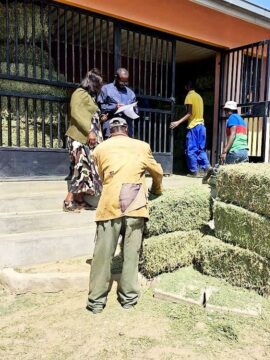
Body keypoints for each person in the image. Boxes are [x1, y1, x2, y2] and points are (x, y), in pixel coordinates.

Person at [86, 117, 163, 314]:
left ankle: (96, 302)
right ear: (126, 130)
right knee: (131, 254)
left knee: (102, 255)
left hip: (109, 204)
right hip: (135, 204)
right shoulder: (142, 146)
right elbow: (158, 172)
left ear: (110, 131)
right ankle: (128, 299)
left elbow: (102, 176)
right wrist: (156, 190)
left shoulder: (99, 149)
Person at [63, 68, 104, 212]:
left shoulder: (89, 96)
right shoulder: (79, 93)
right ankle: (69, 201)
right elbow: (76, 113)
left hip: (87, 139)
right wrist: (90, 130)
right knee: (81, 168)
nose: (100, 87)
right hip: (79, 138)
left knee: (86, 169)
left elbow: (88, 114)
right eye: (98, 84)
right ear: (92, 83)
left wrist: (100, 118)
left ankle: (80, 200)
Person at [170, 80, 211, 177]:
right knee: (201, 149)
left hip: (193, 126)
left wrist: (177, 122)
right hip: (201, 126)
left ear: (186, 87)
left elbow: (189, 113)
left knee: (191, 149)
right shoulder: (199, 97)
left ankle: (194, 171)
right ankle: (208, 167)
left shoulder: (189, 96)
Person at [97, 67, 136, 139]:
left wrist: (132, 109)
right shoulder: (106, 89)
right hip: (110, 127)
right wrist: (114, 108)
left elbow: (136, 110)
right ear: (116, 77)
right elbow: (100, 107)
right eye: (122, 81)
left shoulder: (131, 93)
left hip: (126, 128)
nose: (124, 84)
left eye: (126, 82)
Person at [220, 100, 249, 164]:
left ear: (230, 111)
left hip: (235, 151)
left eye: (225, 110)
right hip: (244, 152)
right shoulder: (241, 119)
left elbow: (233, 135)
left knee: (226, 172)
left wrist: (225, 151)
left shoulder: (232, 117)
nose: (225, 112)